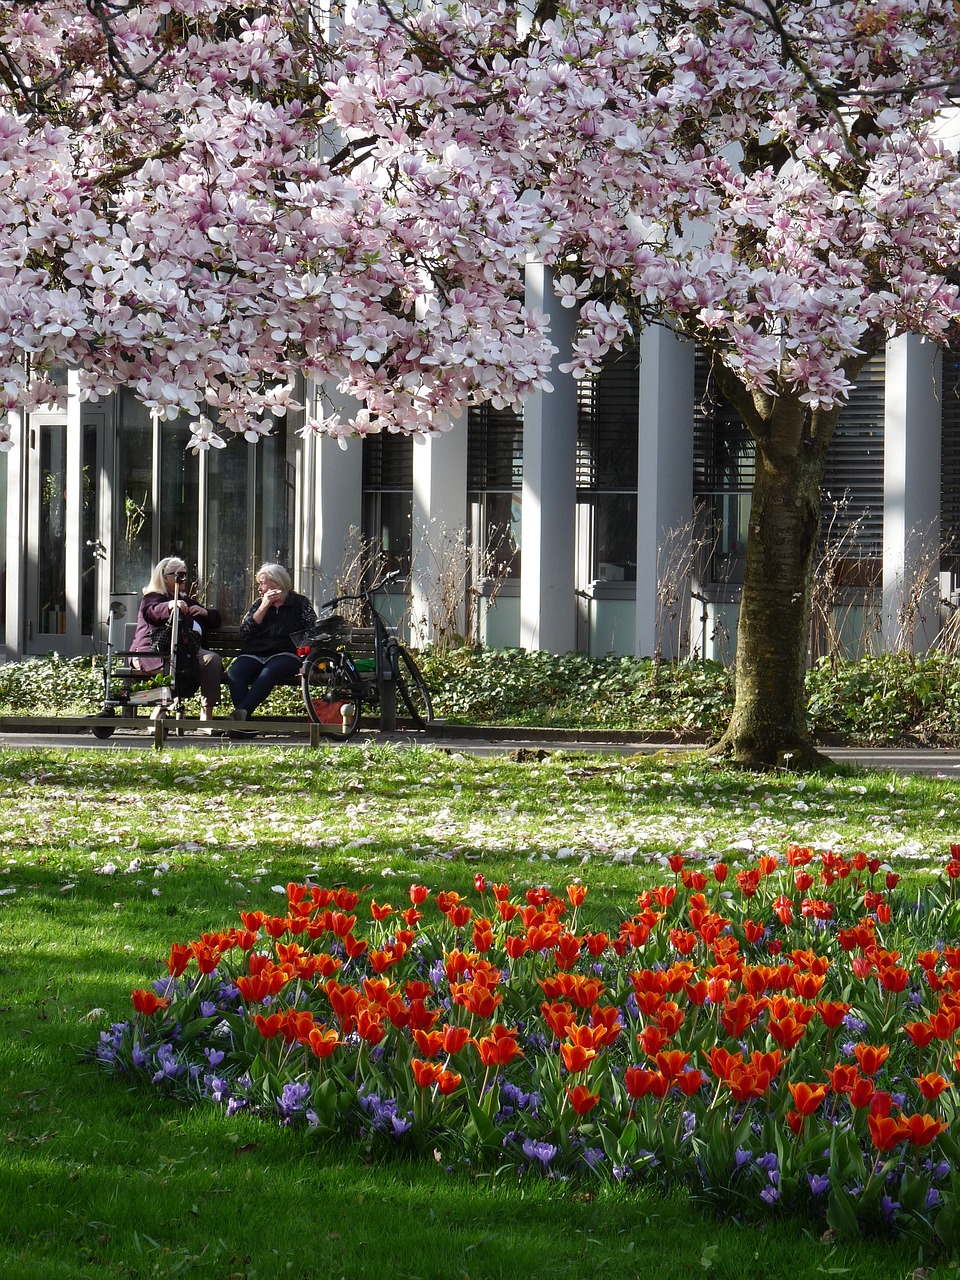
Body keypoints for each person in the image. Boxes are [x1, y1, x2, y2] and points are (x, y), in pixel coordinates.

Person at [131, 557, 223, 726]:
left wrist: (204, 612)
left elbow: (216, 618)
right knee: (176, 665)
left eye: (185, 575)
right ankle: (160, 710)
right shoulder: (152, 598)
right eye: (179, 575)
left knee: (212, 660)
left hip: (182, 651)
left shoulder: (185, 600)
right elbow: (152, 612)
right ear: (165, 577)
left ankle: (206, 718)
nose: (184, 579)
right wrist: (170, 605)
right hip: (152, 652)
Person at [226, 563, 317, 720]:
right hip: (254, 653)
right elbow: (245, 633)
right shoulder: (258, 603)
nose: (259, 589)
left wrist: (309, 658)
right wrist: (263, 607)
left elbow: (313, 631)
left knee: (269, 672)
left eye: (262, 583)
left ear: (276, 583)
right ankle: (242, 719)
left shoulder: (300, 603)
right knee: (236, 672)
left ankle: (241, 715)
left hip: (286, 654)